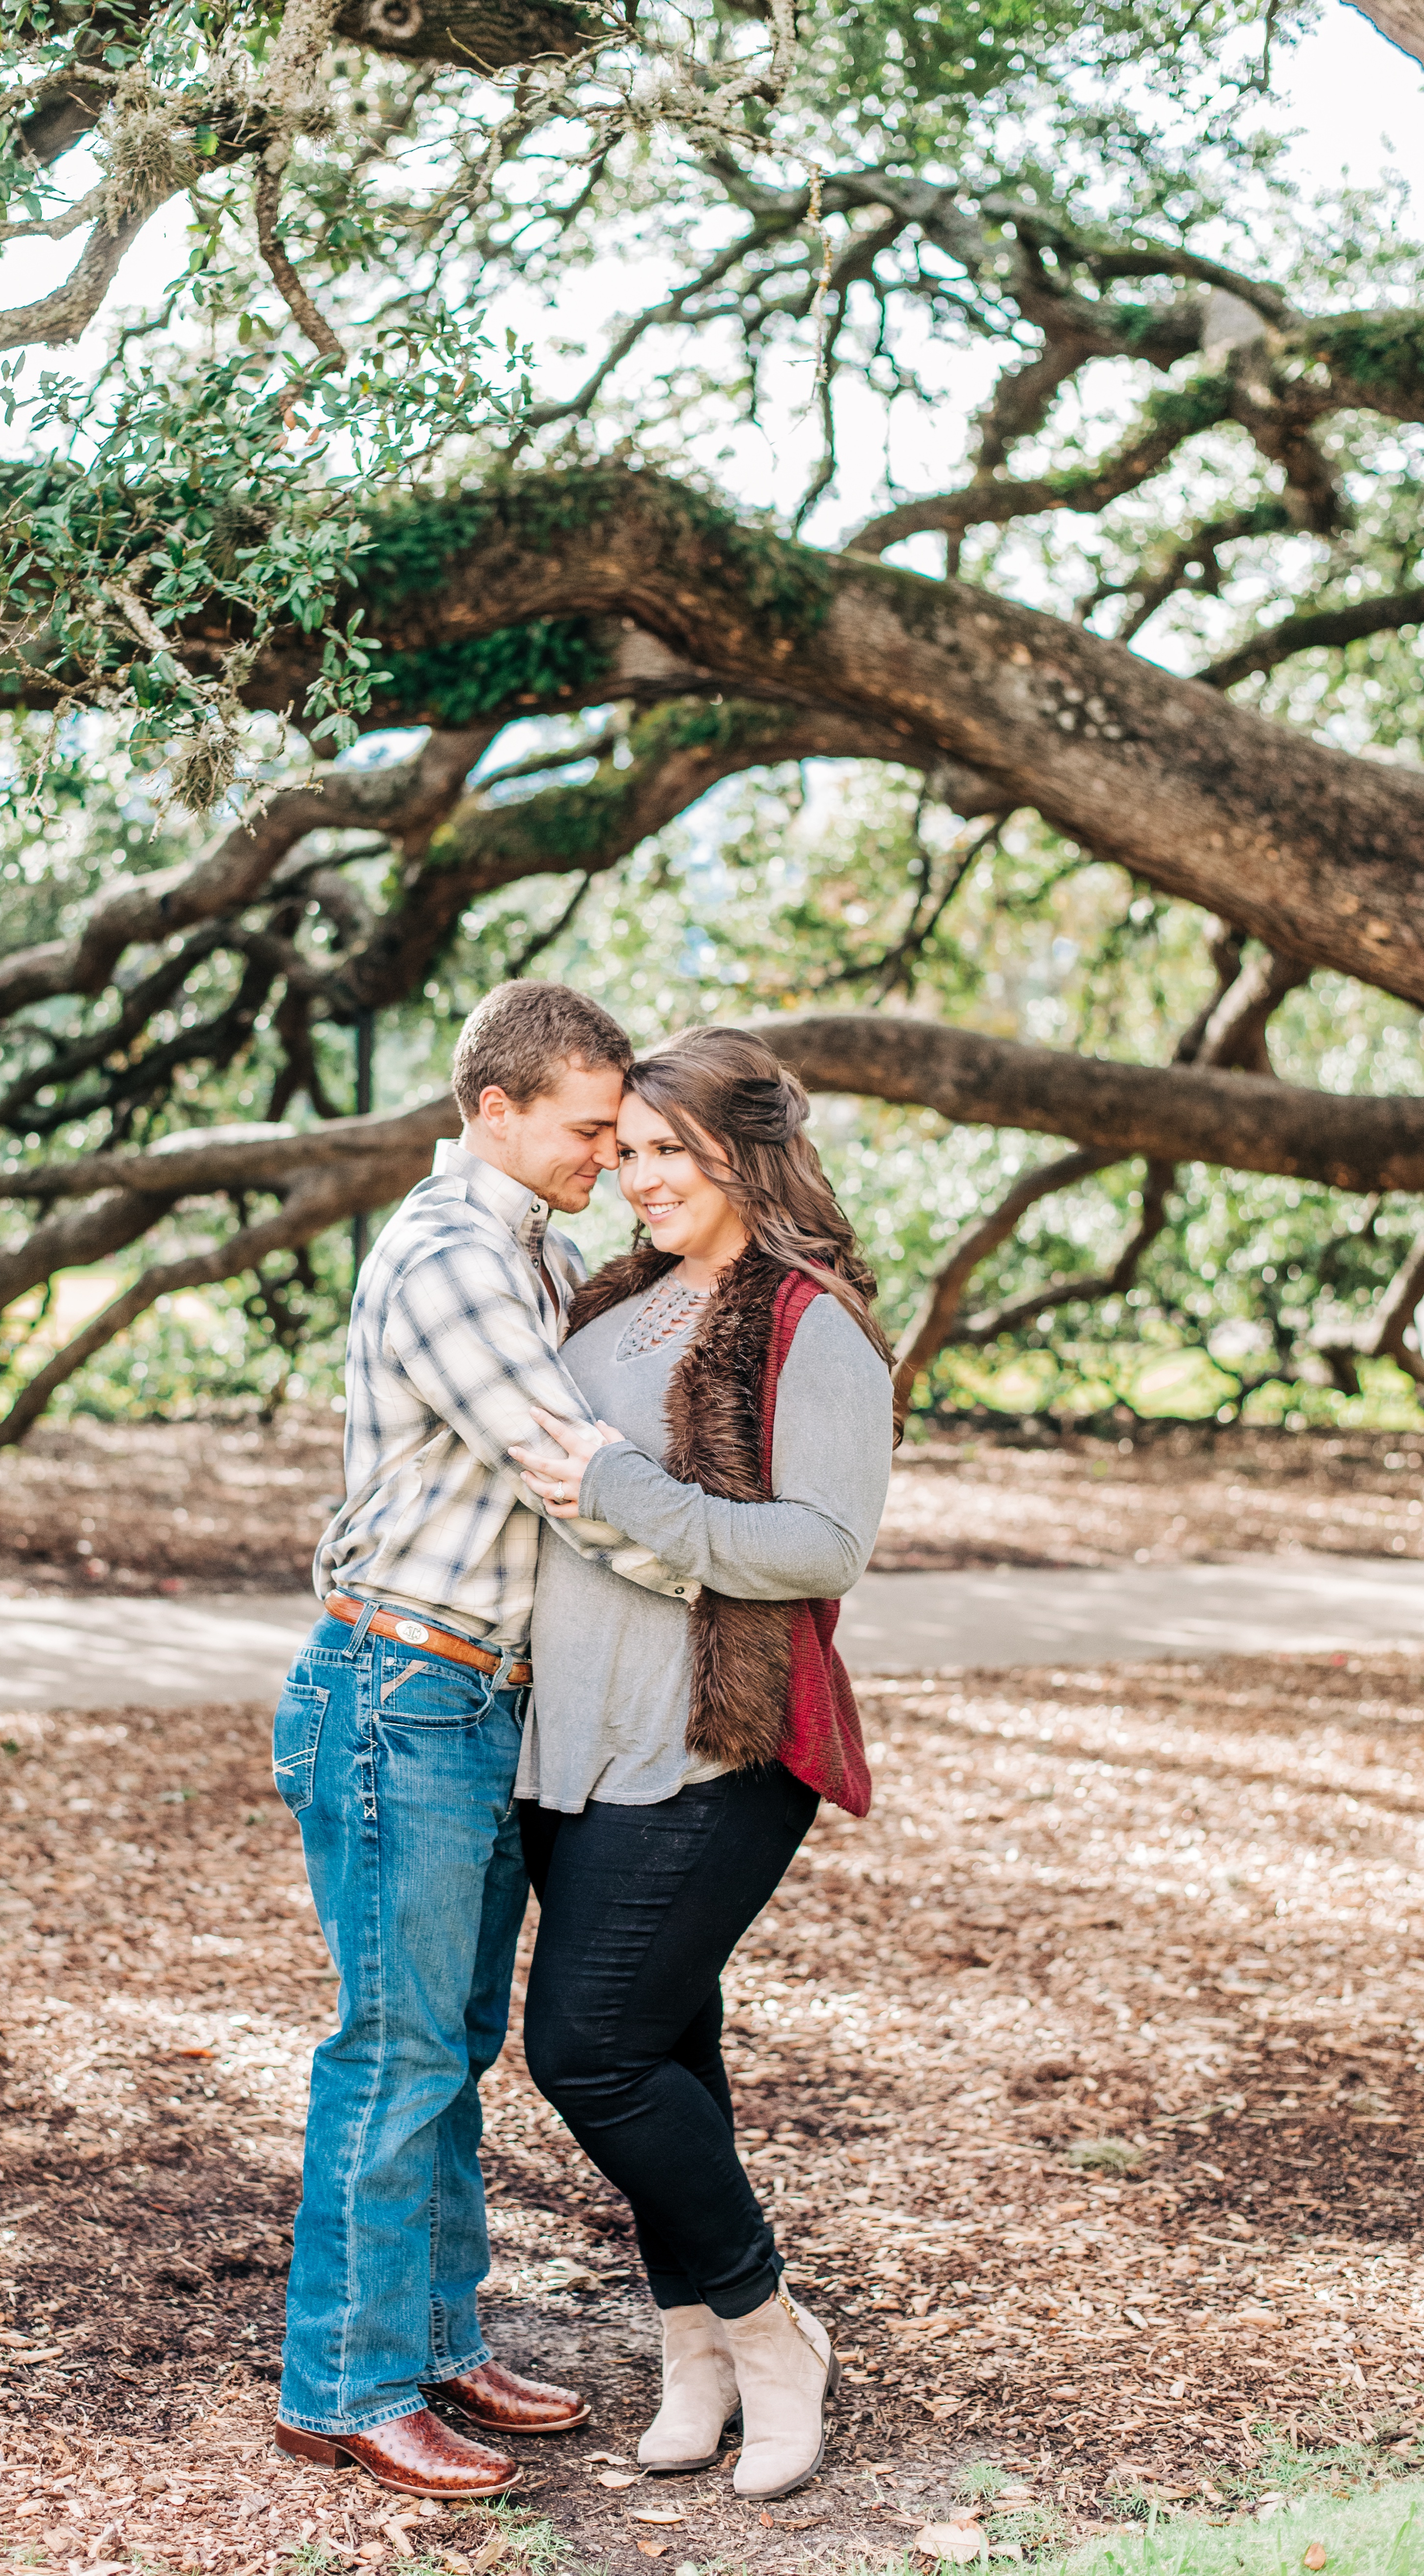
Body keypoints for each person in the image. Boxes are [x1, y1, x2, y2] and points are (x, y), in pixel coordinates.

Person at [269, 981, 693, 2502]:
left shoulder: (539, 1248)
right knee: (394, 2047)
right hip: (400, 1688)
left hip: (467, 1697)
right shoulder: (454, 1256)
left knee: (448, 2043)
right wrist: (742, 1557)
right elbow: (569, 1471)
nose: (612, 1155)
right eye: (589, 1128)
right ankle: (347, 2382)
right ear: (495, 1111)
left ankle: (435, 2338)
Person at [508, 1025, 894, 2504]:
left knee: (587, 2048)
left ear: (742, 1150)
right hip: (574, 1740)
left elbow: (820, 1543)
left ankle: (770, 2329)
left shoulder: (811, 1324)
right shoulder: (611, 1305)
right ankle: (694, 2356)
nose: (635, 1174)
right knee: (666, 2052)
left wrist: (626, 1491)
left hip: (716, 1744)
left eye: (668, 1149)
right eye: (628, 1149)